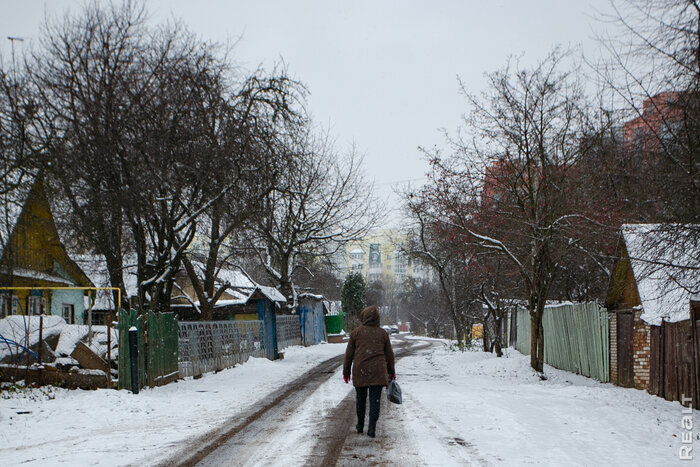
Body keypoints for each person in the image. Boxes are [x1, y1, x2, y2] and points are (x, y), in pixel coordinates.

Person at [343, 305, 396, 438]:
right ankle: (372, 427)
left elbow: (348, 354)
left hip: (360, 371)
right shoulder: (382, 333)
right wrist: (391, 371)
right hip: (378, 372)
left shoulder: (356, 333)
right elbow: (389, 355)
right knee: (375, 401)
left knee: (360, 399)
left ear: (364, 317)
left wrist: (346, 372)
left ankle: (360, 425)